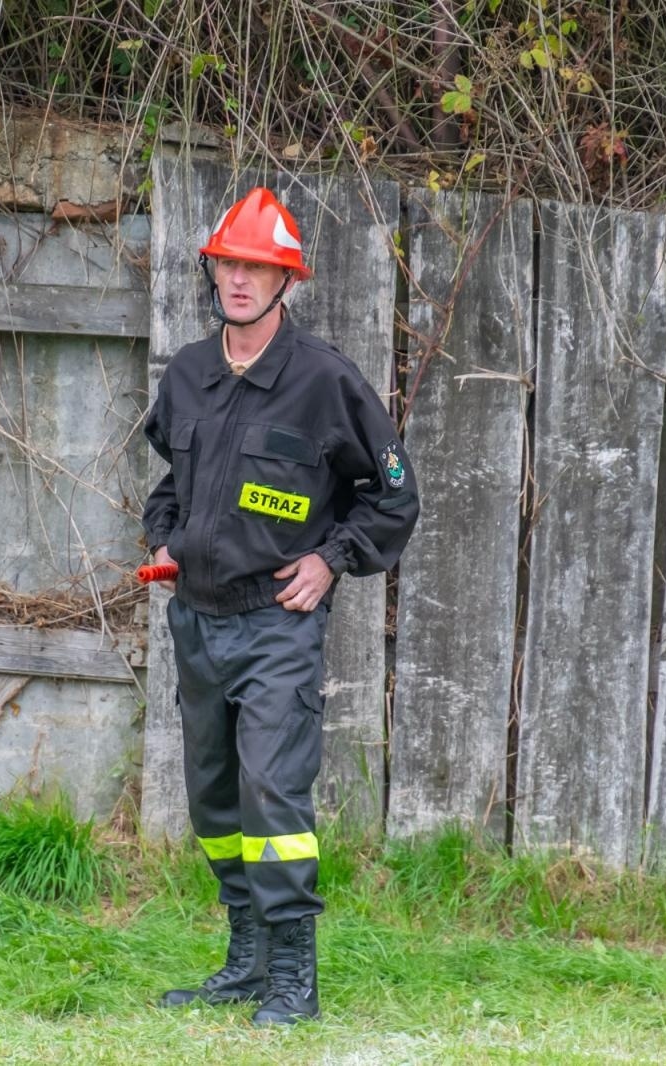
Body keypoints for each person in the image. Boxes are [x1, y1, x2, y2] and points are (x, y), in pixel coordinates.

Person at [142, 186, 420, 1026]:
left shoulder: (326, 381)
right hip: (195, 617)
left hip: (275, 627)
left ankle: (295, 979)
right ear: (213, 269)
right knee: (216, 799)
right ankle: (246, 961)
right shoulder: (188, 374)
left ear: (285, 279)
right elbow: (171, 486)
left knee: (274, 798)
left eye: (259, 266)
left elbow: (393, 496)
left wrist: (333, 561)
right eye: (230, 262)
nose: (240, 278)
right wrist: (162, 539)